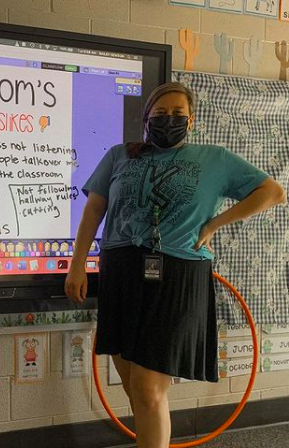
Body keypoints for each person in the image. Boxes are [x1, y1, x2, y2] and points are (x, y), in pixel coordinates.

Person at [65, 82, 286, 448]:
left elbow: (273, 192)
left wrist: (215, 224)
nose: (169, 121)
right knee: (137, 389)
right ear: (146, 119)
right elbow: (94, 210)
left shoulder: (214, 158)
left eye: (178, 115)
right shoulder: (121, 155)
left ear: (192, 120)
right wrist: (76, 265)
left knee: (148, 389)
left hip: (177, 277)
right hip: (120, 273)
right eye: (161, 115)